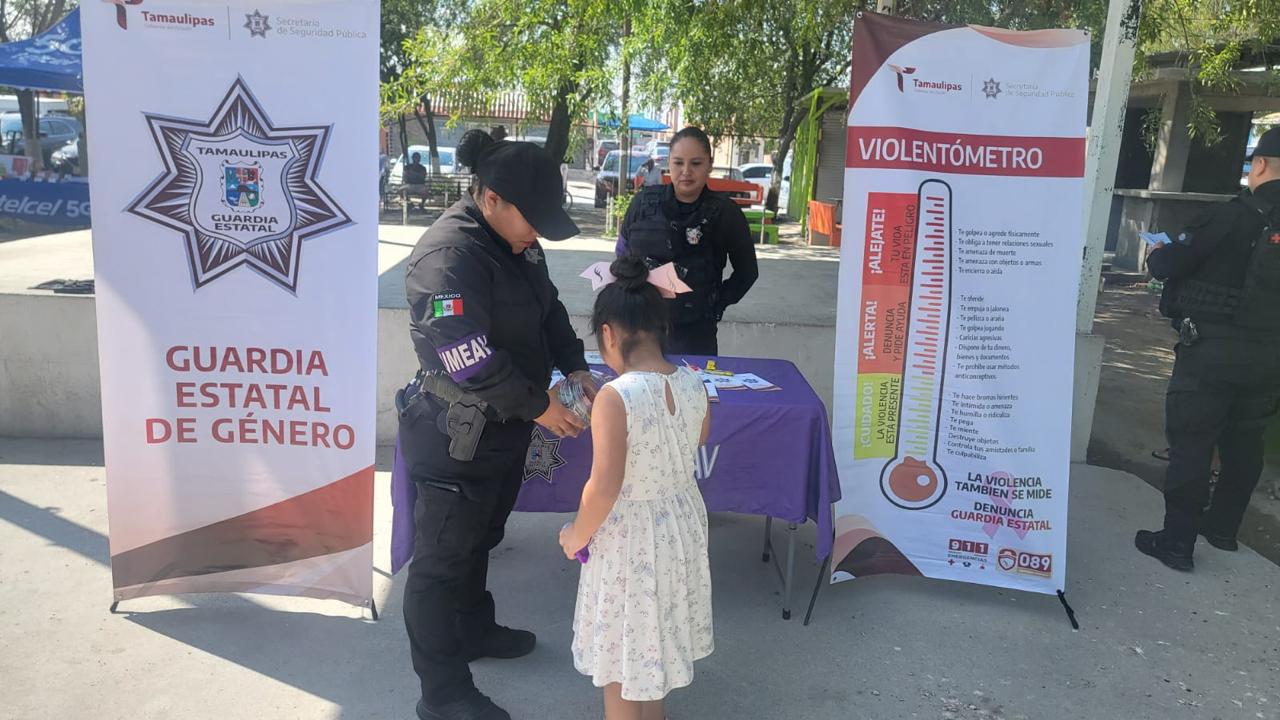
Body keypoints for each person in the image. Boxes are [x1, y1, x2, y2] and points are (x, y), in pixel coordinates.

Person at [401, 128, 595, 720]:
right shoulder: (447, 259)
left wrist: (575, 365)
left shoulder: (519, 244)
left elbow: (549, 308)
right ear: (490, 200)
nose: (537, 231)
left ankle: (474, 630)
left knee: (479, 538)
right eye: (531, 219)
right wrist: (542, 407)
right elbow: (469, 354)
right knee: (440, 563)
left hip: (502, 430)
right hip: (453, 435)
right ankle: (443, 694)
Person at [560, 256, 714, 720]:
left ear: (607, 333)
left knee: (623, 659)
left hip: (630, 541)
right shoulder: (693, 383)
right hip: (679, 528)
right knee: (653, 651)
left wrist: (576, 536)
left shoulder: (615, 396)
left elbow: (603, 488)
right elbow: (698, 437)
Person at [1135, 126, 1280, 571]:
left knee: (1192, 441)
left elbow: (1168, 263)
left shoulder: (1231, 216)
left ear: (1258, 165)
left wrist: (1159, 252)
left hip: (1211, 352)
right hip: (1270, 356)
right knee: (1246, 439)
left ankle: (1177, 542)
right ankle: (1222, 530)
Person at [616, 126, 758, 355]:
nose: (686, 172)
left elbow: (748, 272)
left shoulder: (725, 213)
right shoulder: (643, 204)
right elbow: (621, 253)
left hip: (695, 335)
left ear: (709, 165)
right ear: (668, 163)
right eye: (678, 163)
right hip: (641, 329)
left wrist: (715, 303)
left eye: (696, 163)